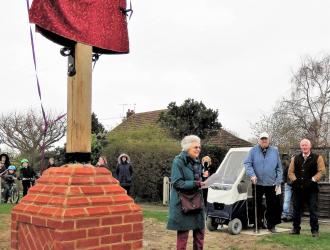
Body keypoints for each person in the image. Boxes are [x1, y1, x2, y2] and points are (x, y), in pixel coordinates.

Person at [167, 135, 205, 250]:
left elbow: (196, 179)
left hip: (197, 201)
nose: (198, 149)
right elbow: (177, 183)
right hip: (183, 204)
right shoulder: (178, 161)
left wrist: (203, 180)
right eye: (195, 147)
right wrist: (196, 183)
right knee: (183, 237)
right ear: (187, 148)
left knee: (200, 234)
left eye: (199, 147)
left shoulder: (197, 161)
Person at [244, 132, 283, 233]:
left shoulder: (275, 151)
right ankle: (257, 224)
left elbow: (279, 168)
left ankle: (271, 225)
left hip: (271, 183)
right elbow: (247, 163)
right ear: (259, 140)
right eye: (262, 139)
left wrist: (278, 180)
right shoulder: (253, 150)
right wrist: (252, 175)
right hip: (257, 183)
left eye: (265, 139)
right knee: (257, 204)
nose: (264, 141)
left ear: (269, 140)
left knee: (272, 205)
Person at [288, 139, 325, 237]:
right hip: (298, 189)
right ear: (300, 147)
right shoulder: (295, 158)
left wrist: (313, 179)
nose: (304, 147)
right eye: (302, 145)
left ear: (310, 146)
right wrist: (295, 180)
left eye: (306, 145)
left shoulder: (318, 157)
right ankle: (296, 229)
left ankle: (315, 231)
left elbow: (322, 171)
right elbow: (290, 172)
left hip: (311, 189)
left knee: (313, 209)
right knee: (296, 209)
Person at [281, 154, 293, 222]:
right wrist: (285, 182)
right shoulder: (289, 166)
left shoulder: (288, 166)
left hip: (294, 185)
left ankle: (288, 215)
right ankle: (285, 214)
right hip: (289, 185)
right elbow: (284, 174)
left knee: (288, 200)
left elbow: (284, 174)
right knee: (287, 200)